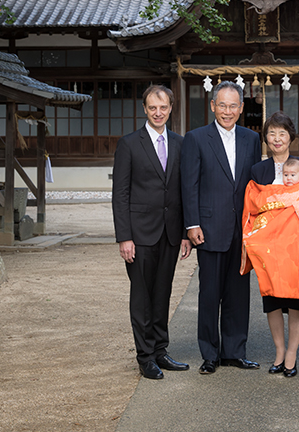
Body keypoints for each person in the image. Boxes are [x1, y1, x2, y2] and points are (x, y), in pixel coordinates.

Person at [180, 81, 262, 374]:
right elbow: (189, 184)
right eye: (222, 105)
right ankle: (210, 354)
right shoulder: (196, 138)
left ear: (241, 108)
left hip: (242, 230)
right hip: (209, 228)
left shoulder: (252, 140)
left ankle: (234, 351)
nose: (228, 111)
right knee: (210, 294)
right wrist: (191, 225)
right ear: (212, 105)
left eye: (233, 105)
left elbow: (255, 185)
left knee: (239, 294)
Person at [112, 85, 192, 380]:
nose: (158, 113)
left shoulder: (180, 143)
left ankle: (160, 350)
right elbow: (120, 194)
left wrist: (185, 231)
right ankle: (145, 357)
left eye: (163, 107)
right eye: (152, 108)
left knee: (162, 294)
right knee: (142, 297)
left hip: (171, 233)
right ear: (144, 109)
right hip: (139, 234)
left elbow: (184, 191)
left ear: (171, 108)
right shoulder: (129, 144)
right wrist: (124, 237)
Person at [248, 113, 299, 377]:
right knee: (272, 300)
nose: (277, 139)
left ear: (291, 137)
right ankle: (278, 351)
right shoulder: (258, 170)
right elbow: (253, 206)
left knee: (296, 301)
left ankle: (292, 354)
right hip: (269, 247)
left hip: (296, 245)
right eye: (272, 134)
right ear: (265, 138)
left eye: (282, 133)